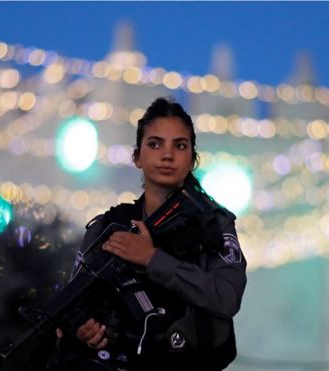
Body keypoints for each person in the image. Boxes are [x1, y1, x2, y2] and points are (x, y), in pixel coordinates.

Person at [46, 97, 247, 371]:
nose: (167, 155)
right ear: (137, 157)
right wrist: (83, 329)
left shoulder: (213, 224)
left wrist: (152, 259)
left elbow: (226, 297)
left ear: (192, 158)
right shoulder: (108, 227)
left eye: (180, 145)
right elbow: (75, 300)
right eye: (155, 144)